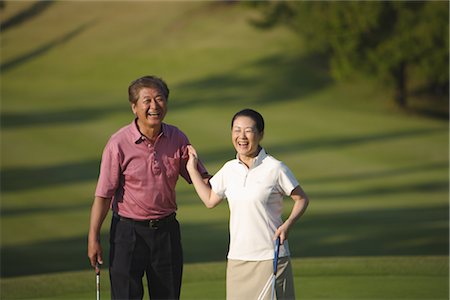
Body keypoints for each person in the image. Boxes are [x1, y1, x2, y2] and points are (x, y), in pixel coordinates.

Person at [87, 75, 210, 300]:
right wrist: (93, 236)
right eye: (147, 101)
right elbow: (104, 195)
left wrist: (239, 172)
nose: (154, 106)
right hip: (127, 233)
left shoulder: (177, 138)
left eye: (159, 99)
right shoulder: (118, 143)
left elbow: (203, 179)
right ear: (134, 107)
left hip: (166, 232)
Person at [186, 108, 309, 300]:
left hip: (270, 256)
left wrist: (287, 225)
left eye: (248, 130)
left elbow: (301, 199)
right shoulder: (229, 169)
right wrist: (192, 169)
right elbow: (210, 200)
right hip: (237, 258)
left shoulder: (275, 168)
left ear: (260, 134)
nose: (241, 136)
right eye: (236, 130)